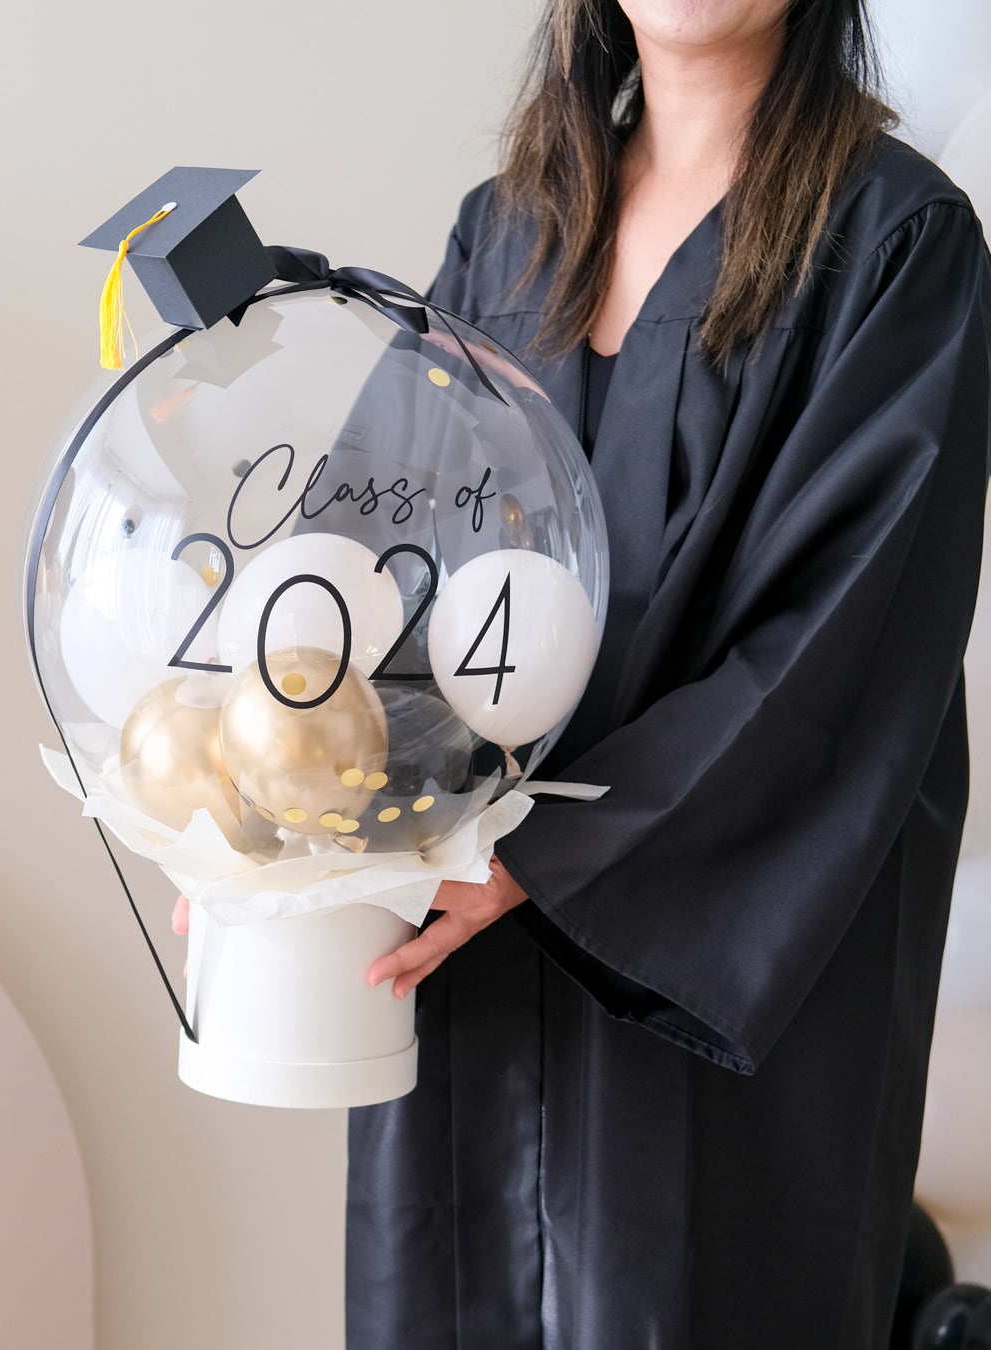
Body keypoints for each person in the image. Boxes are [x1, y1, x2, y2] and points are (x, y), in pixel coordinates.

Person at [344, 2, 991, 1348]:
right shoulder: (504, 236)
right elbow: (375, 573)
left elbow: (832, 654)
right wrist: (283, 813)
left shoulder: (899, 245)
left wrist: (540, 852)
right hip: (463, 959)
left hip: (710, 984)